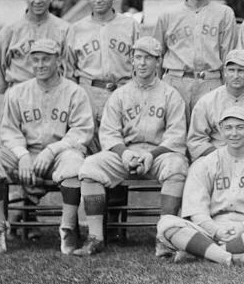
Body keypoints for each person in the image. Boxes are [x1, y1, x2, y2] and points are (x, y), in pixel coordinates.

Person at [0, 38, 93, 255]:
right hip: (25, 155)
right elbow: (8, 131)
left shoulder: (75, 92)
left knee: (76, 164)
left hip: (59, 155)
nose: (40, 64)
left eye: (46, 59)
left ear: (58, 60)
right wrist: (22, 156)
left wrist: (52, 150)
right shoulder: (17, 92)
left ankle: (67, 229)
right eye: (35, 60)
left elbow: (81, 131)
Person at [73, 36, 188, 257]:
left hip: (159, 154)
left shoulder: (170, 94)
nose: (142, 63)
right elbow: (108, 133)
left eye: (148, 58)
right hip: (126, 153)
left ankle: (164, 237)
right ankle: (96, 237)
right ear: (132, 61)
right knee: (90, 167)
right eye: (137, 57)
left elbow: (175, 136)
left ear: (158, 61)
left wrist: (151, 155)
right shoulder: (120, 94)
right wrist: (124, 153)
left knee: (178, 167)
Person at [159, 106, 244, 266]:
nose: (234, 133)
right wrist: (215, 230)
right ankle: (230, 257)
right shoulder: (206, 163)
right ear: (220, 129)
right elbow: (197, 210)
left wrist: (243, 226)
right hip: (212, 228)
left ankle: (204, 252)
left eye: (240, 127)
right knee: (167, 223)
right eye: (228, 128)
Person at [153, 0, 237, 116]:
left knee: (209, 135)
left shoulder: (224, 14)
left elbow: (229, 58)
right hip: (175, 81)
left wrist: (228, 93)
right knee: (175, 135)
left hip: (210, 82)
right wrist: (157, 89)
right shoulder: (168, 15)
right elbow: (156, 56)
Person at [64, 0, 138, 138]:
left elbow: (140, 66)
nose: (98, 0)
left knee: (121, 146)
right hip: (88, 93)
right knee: (88, 146)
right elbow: (69, 71)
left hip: (122, 92)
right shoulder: (76, 29)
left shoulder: (130, 25)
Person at [0, 0, 71, 95]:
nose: (37, 0)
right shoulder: (10, 30)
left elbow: (69, 71)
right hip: (19, 94)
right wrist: (0, 100)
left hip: (53, 94)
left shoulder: (64, 29)